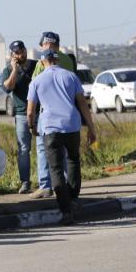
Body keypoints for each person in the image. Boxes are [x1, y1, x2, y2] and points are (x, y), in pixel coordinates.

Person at [26, 49, 97, 224]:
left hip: (50, 127)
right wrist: (91, 128)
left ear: (42, 62)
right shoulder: (71, 76)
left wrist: (32, 126)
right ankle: (73, 198)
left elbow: (29, 111)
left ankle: (65, 210)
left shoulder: (37, 81)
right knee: (73, 160)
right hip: (72, 125)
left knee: (55, 168)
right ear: (56, 60)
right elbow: (82, 103)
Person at [29, 31, 75, 199]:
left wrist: (31, 121)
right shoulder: (68, 60)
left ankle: (46, 186)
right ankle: (66, 185)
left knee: (44, 149)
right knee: (66, 153)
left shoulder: (43, 62)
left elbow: (34, 85)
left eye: (42, 45)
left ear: (46, 44)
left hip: (47, 114)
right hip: (68, 114)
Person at [1, 40, 37, 194]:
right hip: (22, 114)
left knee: (46, 147)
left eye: (21, 51)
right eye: (16, 52)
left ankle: (48, 181)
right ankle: (25, 182)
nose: (20, 54)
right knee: (23, 149)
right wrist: (15, 70)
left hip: (40, 112)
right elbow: (8, 88)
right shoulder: (8, 70)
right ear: (12, 55)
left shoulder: (36, 65)